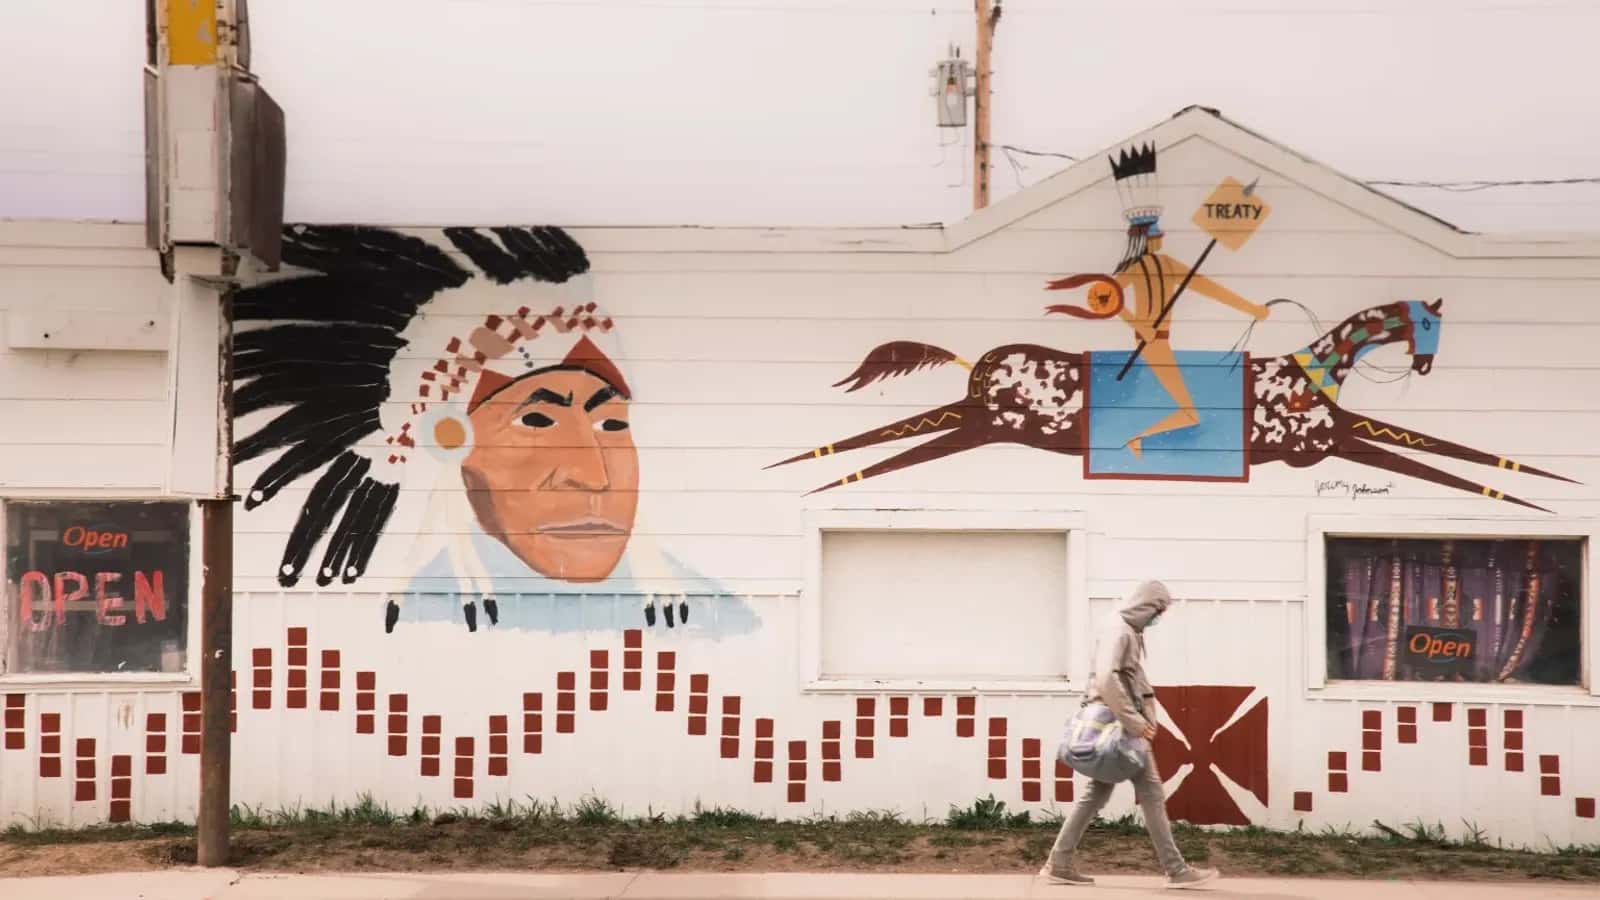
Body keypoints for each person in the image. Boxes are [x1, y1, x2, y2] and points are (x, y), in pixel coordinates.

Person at [1039, 580, 1219, 889]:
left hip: (1120, 721)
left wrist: (1148, 711)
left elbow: (1131, 676)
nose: (1158, 617)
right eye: (1158, 610)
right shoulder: (1120, 630)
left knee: (1097, 792)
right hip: (1118, 725)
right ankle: (1176, 870)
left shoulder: (1126, 628)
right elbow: (1108, 678)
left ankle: (1059, 862)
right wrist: (1136, 722)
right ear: (1146, 605)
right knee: (1150, 793)